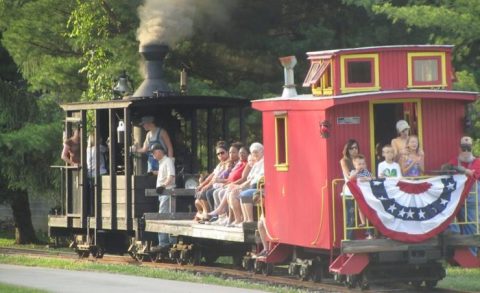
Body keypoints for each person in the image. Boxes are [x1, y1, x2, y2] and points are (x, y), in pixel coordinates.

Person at [442, 136, 480, 245]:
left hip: (471, 200)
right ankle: (455, 254)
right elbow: (445, 170)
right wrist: (447, 167)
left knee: (472, 228)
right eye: (464, 148)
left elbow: (474, 175)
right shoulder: (454, 160)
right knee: (451, 226)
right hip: (455, 200)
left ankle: (471, 255)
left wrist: (460, 169)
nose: (466, 151)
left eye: (469, 148)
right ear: (459, 148)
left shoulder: (477, 161)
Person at [228, 142, 264, 226]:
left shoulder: (264, 162)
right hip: (251, 186)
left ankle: (249, 220)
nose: (254, 154)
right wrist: (239, 187)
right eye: (253, 152)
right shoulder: (256, 164)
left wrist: (241, 186)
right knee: (233, 193)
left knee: (244, 194)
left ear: (262, 151)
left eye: (256, 152)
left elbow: (259, 178)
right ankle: (242, 219)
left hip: (260, 187)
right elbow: (249, 179)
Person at [194, 142, 229, 221]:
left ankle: (211, 215)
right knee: (198, 194)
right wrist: (201, 185)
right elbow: (211, 176)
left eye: (222, 153)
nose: (220, 155)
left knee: (207, 192)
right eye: (218, 154)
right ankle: (206, 213)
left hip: (221, 185)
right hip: (215, 185)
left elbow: (216, 178)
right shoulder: (220, 164)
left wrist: (207, 186)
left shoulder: (228, 163)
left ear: (227, 152)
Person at [151, 143, 175, 249]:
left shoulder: (168, 161)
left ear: (159, 152)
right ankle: (169, 241)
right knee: (166, 216)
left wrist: (163, 186)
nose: (153, 155)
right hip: (163, 193)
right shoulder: (162, 163)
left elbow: (171, 176)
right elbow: (164, 174)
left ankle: (163, 243)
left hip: (167, 192)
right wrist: (153, 173)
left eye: (153, 153)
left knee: (163, 216)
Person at [86, 134, 108, 215]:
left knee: (92, 194)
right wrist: (108, 143)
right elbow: (108, 149)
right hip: (100, 173)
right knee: (103, 193)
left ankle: (92, 212)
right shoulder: (99, 147)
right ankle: (102, 211)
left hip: (90, 174)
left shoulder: (87, 150)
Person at [350, 154, 372, 228]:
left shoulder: (366, 172)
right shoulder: (353, 172)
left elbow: (371, 178)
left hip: (367, 193)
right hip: (358, 193)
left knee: (368, 207)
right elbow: (351, 178)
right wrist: (357, 172)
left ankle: (371, 222)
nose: (361, 166)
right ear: (354, 165)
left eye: (363, 164)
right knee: (360, 208)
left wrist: (366, 178)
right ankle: (363, 222)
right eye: (359, 164)